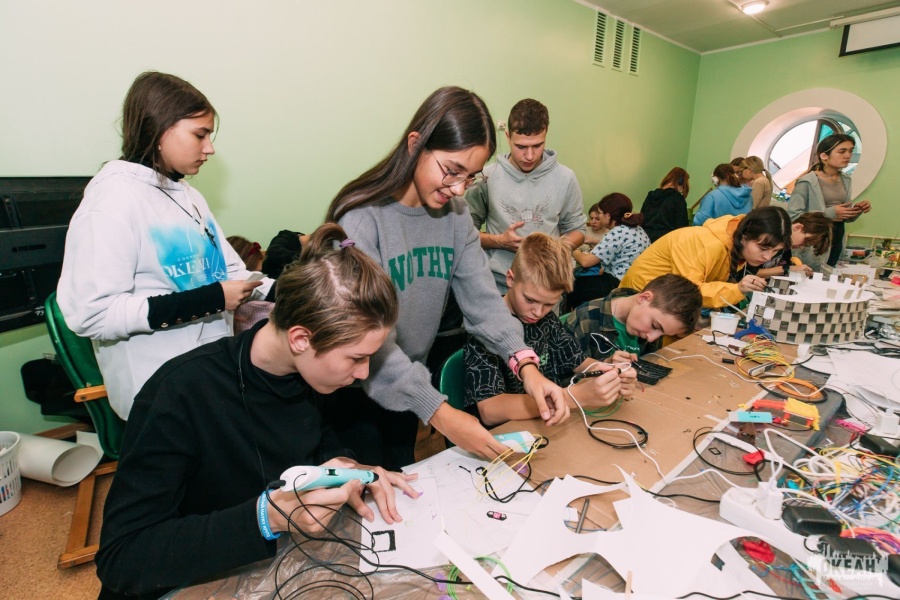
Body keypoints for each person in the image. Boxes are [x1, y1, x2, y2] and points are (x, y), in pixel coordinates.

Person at [95, 223, 418, 600]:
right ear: (301, 339)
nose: (364, 373)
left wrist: (344, 465)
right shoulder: (179, 394)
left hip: (270, 568)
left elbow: (317, 437)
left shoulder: (311, 375)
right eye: (356, 358)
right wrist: (267, 516)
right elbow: (122, 558)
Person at [324, 86, 567, 470]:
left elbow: (483, 301)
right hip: (351, 389)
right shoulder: (361, 218)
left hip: (410, 385)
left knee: (402, 476)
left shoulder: (455, 217)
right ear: (415, 144)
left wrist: (526, 366)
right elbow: (366, 334)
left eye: (469, 178)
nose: (457, 189)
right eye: (452, 171)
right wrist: (441, 413)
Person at [57, 72, 271, 420]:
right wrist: (213, 298)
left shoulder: (187, 195)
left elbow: (232, 273)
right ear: (159, 130)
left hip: (209, 375)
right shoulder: (113, 200)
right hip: (159, 396)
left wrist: (295, 291)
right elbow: (92, 315)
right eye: (200, 134)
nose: (210, 148)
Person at [464, 234, 632, 426]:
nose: (538, 312)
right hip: (510, 432)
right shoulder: (485, 326)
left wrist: (607, 370)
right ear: (510, 279)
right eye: (530, 300)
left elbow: (578, 361)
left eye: (549, 304)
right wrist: (573, 397)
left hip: (547, 424)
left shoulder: (547, 320)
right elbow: (490, 410)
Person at [465, 98, 586, 293]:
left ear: (546, 134)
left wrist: (554, 249)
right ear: (508, 137)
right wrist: (500, 241)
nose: (529, 156)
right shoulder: (486, 176)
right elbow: (465, 232)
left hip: (547, 286)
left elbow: (577, 229)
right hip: (496, 286)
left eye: (537, 146)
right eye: (521, 147)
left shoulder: (566, 177)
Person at [620, 206, 792, 309]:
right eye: (763, 248)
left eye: (776, 251)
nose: (767, 256)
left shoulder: (733, 245)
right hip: (639, 301)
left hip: (664, 303)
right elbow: (689, 293)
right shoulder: (706, 244)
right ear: (744, 236)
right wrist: (737, 289)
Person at [565, 273, 702, 361]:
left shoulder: (653, 321)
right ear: (644, 298)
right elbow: (564, 378)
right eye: (655, 326)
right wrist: (604, 368)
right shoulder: (585, 319)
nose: (652, 338)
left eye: (662, 334)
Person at [787, 133, 871, 267]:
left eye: (850, 151)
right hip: (814, 240)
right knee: (810, 275)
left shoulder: (846, 180)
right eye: (842, 151)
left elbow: (843, 215)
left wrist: (856, 209)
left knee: (829, 274)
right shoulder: (807, 182)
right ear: (824, 156)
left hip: (837, 236)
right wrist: (831, 213)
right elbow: (793, 216)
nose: (848, 156)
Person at [569, 193, 650, 310]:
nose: (598, 217)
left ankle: (573, 316)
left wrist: (573, 249)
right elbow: (618, 247)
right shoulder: (637, 229)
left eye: (600, 214)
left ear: (608, 215)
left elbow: (586, 262)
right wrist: (594, 241)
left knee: (571, 284)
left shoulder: (617, 232)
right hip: (635, 283)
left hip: (617, 286)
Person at [751, 212, 833, 279]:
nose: (802, 247)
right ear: (797, 228)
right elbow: (749, 271)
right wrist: (787, 269)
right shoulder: (768, 236)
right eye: (806, 242)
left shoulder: (786, 248)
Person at [640, 167, 690, 243]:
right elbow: (682, 227)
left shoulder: (651, 195)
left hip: (645, 239)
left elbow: (641, 217)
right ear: (681, 182)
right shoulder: (678, 199)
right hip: (665, 241)